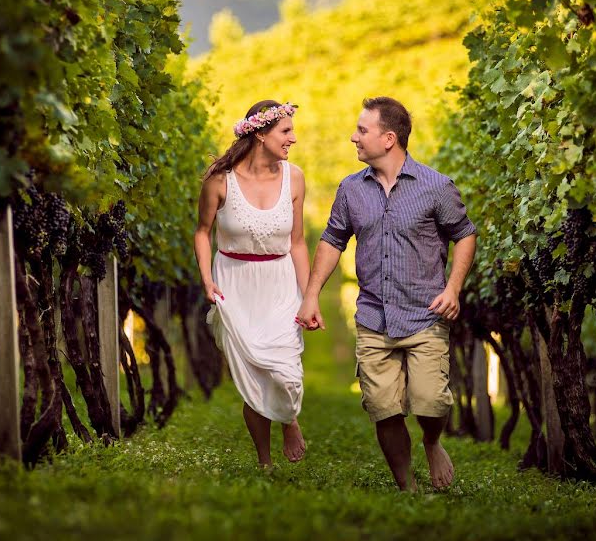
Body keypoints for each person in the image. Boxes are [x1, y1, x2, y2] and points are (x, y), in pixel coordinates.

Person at [296, 97, 477, 491]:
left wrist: (453, 288)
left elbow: (464, 234)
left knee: (430, 401)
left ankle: (431, 442)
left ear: (389, 138)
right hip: (374, 317)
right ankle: (407, 488)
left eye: (362, 131)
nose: (353, 138)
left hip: (425, 314)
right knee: (384, 409)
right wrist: (311, 295)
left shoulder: (436, 187)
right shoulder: (350, 190)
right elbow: (332, 241)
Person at [194, 100, 309, 467]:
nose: (293, 137)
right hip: (235, 283)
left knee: (286, 368)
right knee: (253, 376)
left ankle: (290, 417)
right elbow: (202, 232)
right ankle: (264, 461)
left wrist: (309, 298)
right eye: (285, 131)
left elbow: (298, 242)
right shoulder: (220, 179)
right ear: (260, 134)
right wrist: (207, 280)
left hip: (279, 282)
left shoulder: (296, 177)